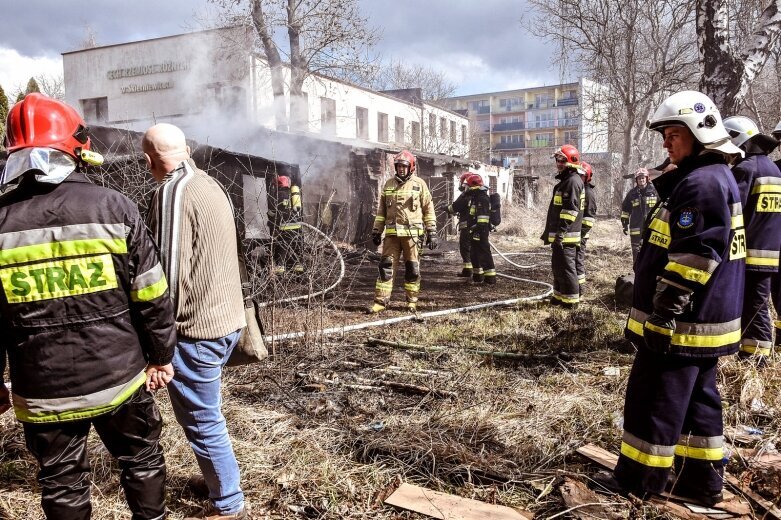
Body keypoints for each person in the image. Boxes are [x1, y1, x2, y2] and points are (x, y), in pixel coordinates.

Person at [0, 93, 177, 520]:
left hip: (43, 388)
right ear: (77, 150)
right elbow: (152, 294)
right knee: (142, 460)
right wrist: (161, 356)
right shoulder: (114, 208)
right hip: (121, 376)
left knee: (62, 484)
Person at [594, 91, 745, 507]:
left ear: (699, 134)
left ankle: (638, 482)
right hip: (703, 323)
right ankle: (702, 481)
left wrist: (663, 315)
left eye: (673, 135)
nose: (666, 143)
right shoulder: (713, 178)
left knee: (653, 400)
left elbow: (695, 257)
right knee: (699, 403)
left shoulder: (700, 185)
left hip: (682, 324)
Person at [143, 123, 248, 520]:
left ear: (148, 160)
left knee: (202, 421)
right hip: (225, 319)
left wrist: (158, 348)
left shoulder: (172, 192)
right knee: (207, 414)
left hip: (196, 329)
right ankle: (222, 483)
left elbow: (166, 276)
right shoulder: (208, 183)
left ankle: (228, 504)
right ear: (185, 150)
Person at [723, 116, 781, 362]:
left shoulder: (746, 170)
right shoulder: (773, 168)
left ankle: (756, 358)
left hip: (750, 253)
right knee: (758, 305)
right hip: (770, 251)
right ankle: (756, 354)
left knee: (754, 307)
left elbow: (733, 210)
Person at [369, 150, 438, 313]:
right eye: (398, 166)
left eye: (404, 166)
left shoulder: (419, 184)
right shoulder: (388, 184)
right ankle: (380, 301)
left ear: (411, 167)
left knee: (412, 268)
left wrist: (432, 231)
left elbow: (429, 209)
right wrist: (377, 230)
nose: (401, 169)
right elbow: (381, 211)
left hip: (412, 237)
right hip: (392, 237)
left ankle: (411, 301)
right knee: (385, 267)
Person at [542, 144, 585, 308]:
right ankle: (559, 296)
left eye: (562, 160)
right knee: (558, 267)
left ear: (571, 162)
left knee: (567, 269)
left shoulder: (572, 182)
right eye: (558, 160)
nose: (559, 163)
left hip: (566, 236)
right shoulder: (566, 181)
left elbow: (570, 211)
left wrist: (560, 233)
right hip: (561, 236)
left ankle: (571, 301)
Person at [451, 174, 496, 284]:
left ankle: (490, 279)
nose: (465, 189)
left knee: (484, 254)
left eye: (467, 187)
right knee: (474, 254)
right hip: (474, 231)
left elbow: (482, 218)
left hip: (481, 231)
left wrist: (477, 228)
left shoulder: (482, 198)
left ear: (473, 186)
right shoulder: (475, 198)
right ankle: (478, 277)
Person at [621, 168, 659, 265]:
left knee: (650, 252)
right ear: (636, 180)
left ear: (647, 179)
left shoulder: (655, 192)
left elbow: (662, 208)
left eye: (643, 178)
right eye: (639, 179)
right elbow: (625, 209)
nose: (641, 180)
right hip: (636, 229)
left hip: (652, 228)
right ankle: (636, 274)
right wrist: (625, 224)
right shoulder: (632, 194)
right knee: (636, 253)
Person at [267, 175, 304, 275]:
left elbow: (272, 212)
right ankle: (299, 269)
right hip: (297, 226)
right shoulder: (293, 194)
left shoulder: (278, 195)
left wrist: (269, 218)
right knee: (296, 246)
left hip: (285, 227)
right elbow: (297, 209)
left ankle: (280, 270)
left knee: (282, 247)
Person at [575, 161, 597, 291]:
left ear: (587, 177)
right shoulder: (579, 190)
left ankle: (580, 288)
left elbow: (589, 218)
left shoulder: (588, 193)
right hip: (576, 233)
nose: (579, 178)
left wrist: (580, 233)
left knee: (578, 260)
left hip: (581, 235)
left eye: (582, 175)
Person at [448, 172, 473, 277]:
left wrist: (446, 208)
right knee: (475, 248)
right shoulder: (478, 194)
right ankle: (476, 270)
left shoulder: (465, 195)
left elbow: (455, 207)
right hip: (478, 227)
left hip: (467, 227)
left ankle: (468, 271)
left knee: (465, 248)